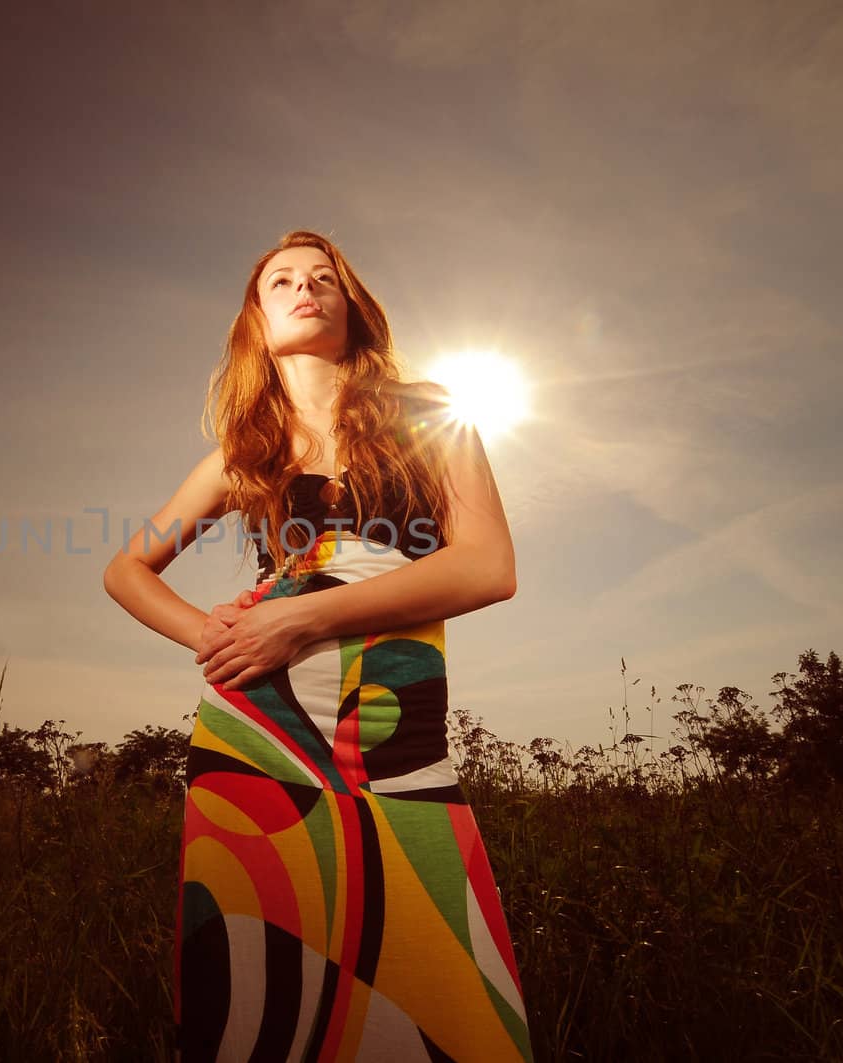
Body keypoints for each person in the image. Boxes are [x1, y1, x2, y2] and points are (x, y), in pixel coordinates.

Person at [102, 230, 531, 1061]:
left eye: (323, 278)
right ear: (256, 321)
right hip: (256, 729)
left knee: (446, 980)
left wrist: (307, 617)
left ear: (352, 308)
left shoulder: (428, 412)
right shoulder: (243, 454)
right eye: (282, 282)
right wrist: (210, 631)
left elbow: (488, 566)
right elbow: (127, 568)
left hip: (395, 727)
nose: (305, 288)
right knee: (264, 983)